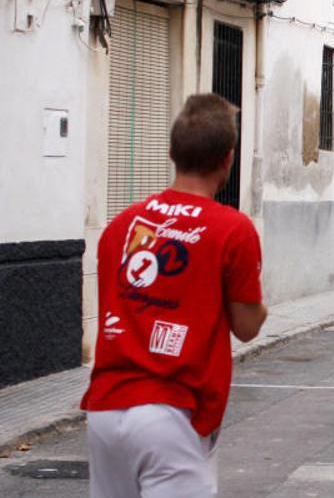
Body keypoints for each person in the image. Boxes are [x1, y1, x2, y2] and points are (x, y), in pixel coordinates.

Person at [82, 94, 267, 497]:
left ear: (171, 153)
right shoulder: (233, 230)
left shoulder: (122, 225)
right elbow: (248, 326)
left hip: (105, 408)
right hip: (173, 412)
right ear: (228, 160)